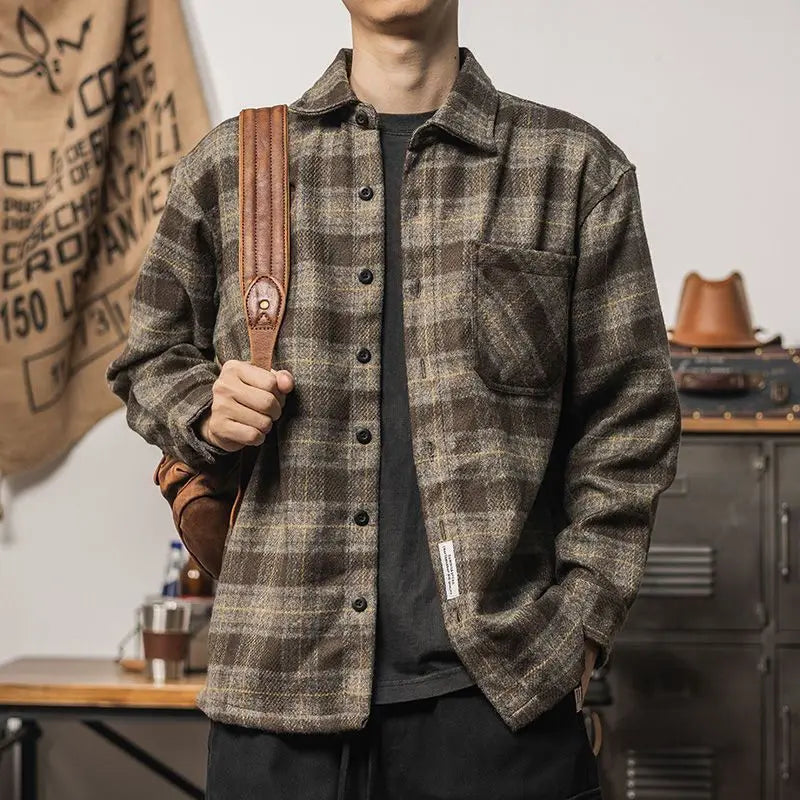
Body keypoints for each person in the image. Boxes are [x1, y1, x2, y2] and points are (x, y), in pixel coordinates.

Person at [106, 0, 682, 797]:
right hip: (276, 698)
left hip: (502, 703)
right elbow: (148, 357)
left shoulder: (573, 170)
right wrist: (204, 408)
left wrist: (580, 627)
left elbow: (631, 419)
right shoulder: (233, 166)